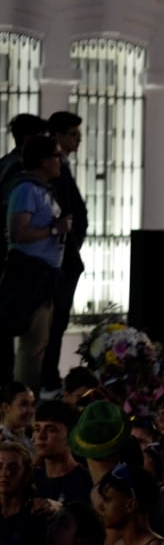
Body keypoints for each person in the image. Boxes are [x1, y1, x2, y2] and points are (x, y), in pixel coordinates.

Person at [0, 135, 72, 390]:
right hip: (30, 273)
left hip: (45, 273)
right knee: (32, 343)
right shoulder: (26, 189)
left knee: (39, 342)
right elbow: (19, 232)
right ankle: (22, 402)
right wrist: (55, 229)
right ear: (44, 162)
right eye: (56, 156)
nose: (61, 160)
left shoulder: (43, 190)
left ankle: (25, 398)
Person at [41, 111, 87, 398]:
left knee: (57, 322)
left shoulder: (64, 168)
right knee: (52, 324)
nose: (78, 139)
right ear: (56, 136)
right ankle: (47, 378)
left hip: (67, 255)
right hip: (58, 259)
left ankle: (50, 376)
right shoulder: (52, 174)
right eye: (73, 134)